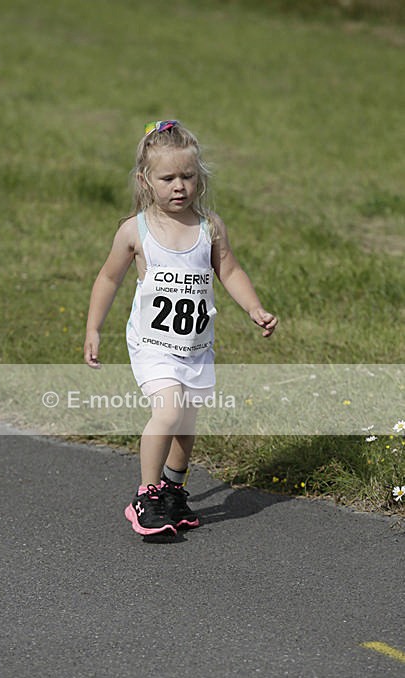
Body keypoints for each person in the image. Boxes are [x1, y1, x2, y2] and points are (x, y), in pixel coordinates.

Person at [84, 120, 277, 537]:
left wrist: (254, 307)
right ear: (145, 180)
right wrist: (93, 329)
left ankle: (173, 490)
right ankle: (147, 494)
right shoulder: (135, 230)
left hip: (195, 345)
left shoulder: (209, 227)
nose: (179, 186)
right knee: (168, 410)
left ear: (199, 177)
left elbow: (230, 270)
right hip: (153, 344)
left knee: (186, 423)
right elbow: (107, 279)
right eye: (167, 177)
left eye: (187, 177)